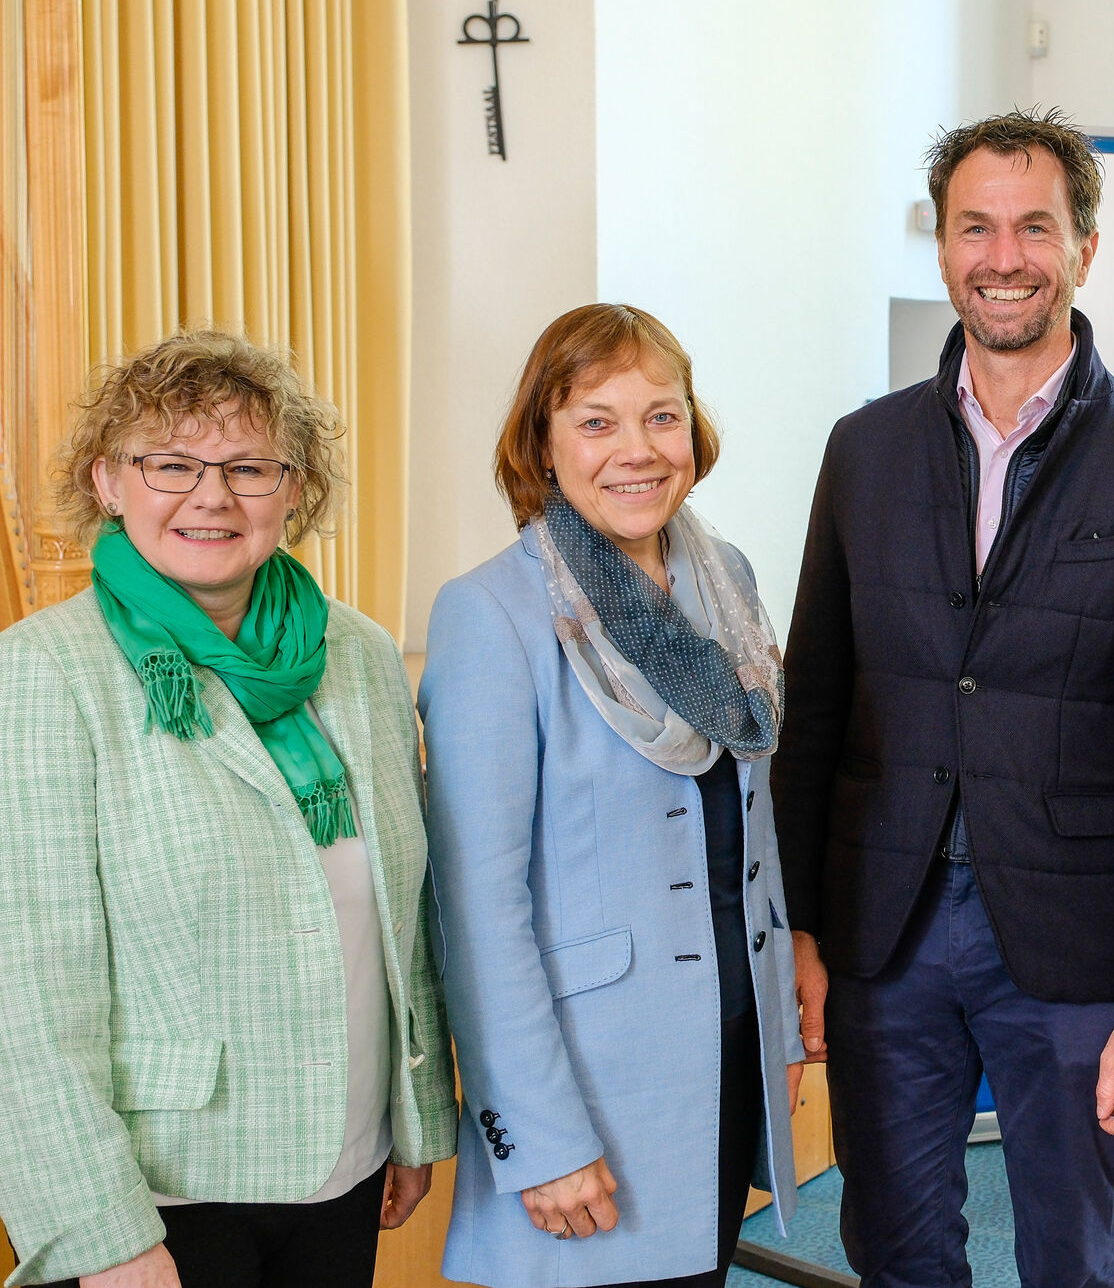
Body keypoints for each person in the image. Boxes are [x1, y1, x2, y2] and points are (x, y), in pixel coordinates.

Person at [772, 108, 1114, 1287]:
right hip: (885, 928)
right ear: (939, 248)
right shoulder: (863, 451)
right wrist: (802, 934)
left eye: (1034, 227)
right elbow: (814, 707)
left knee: (1071, 1256)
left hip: (1077, 950)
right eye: (973, 227)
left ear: (1084, 244)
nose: (1002, 256)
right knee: (894, 1241)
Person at [0, 332, 457, 1288]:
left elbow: (400, 911)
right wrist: (102, 1233)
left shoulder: (362, 654)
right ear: (108, 482)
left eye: (249, 466)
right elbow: (28, 992)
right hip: (162, 1194)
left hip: (345, 1159)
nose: (212, 495)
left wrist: (410, 1117)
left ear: (294, 490)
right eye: (170, 463)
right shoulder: (47, 670)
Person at [419, 303, 805, 1288]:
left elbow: (744, 831)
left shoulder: (727, 582)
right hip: (587, 1089)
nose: (636, 450)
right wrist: (537, 1137)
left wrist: (778, 1007)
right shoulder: (490, 616)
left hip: (718, 1063)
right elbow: (475, 911)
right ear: (541, 447)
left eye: (660, 416)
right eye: (596, 421)